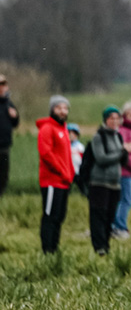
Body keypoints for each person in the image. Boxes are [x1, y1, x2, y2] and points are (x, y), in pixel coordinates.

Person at [86, 107, 126, 256]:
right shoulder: (98, 137)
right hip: (99, 182)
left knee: (110, 215)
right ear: (105, 120)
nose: (115, 121)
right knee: (99, 215)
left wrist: (124, 155)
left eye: (117, 118)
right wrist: (121, 153)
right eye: (112, 118)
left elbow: (121, 160)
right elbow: (101, 158)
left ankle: (106, 245)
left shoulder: (118, 136)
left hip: (115, 183)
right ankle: (99, 247)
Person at [38, 96, 74, 254]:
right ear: (52, 109)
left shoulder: (64, 129)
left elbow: (66, 156)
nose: (63, 111)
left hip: (64, 181)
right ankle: (47, 250)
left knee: (59, 217)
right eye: (59, 108)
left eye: (65, 108)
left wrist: (71, 173)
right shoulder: (47, 128)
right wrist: (62, 171)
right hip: (52, 181)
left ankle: (55, 248)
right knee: (50, 216)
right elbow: (47, 154)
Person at [112, 101, 131, 239]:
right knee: (127, 199)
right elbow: (122, 149)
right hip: (125, 171)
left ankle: (117, 225)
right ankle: (119, 226)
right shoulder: (123, 131)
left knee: (125, 199)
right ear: (125, 116)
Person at [0, 74, 18, 198]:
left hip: (5, 146)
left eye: (3, 85)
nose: (2, 87)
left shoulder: (9, 104)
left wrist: (15, 116)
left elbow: (15, 124)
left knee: (3, 176)